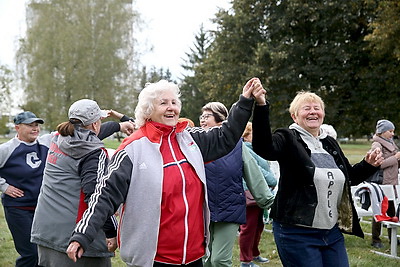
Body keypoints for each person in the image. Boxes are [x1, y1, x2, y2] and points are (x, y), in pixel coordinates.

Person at [66, 78, 266, 267]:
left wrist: (245, 101)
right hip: (154, 259)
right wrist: (82, 235)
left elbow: (226, 137)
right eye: (163, 103)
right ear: (148, 110)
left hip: (194, 255)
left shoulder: (189, 138)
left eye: (174, 102)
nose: (171, 107)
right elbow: (105, 195)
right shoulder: (132, 149)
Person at [251, 90, 384, 266]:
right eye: (306, 108)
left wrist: (368, 165)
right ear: (294, 116)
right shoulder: (287, 138)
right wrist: (261, 105)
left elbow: (348, 178)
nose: (313, 111)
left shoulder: (329, 143)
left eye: (317, 108)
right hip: (296, 232)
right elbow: (263, 147)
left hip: (331, 232)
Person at [30, 99, 134, 266]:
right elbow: (96, 196)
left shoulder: (59, 138)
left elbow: (90, 135)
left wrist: (119, 126)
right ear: (94, 125)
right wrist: (111, 231)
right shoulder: (93, 153)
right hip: (75, 239)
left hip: (45, 231)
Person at [199, 102, 274, 267]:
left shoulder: (237, 145)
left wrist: (269, 203)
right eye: (201, 116)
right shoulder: (196, 144)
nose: (202, 120)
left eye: (207, 116)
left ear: (221, 119)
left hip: (229, 208)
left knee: (220, 260)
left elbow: (253, 173)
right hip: (201, 211)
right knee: (206, 260)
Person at [0, 111, 50, 267]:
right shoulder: (6, 149)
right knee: (31, 253)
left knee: (45, 252)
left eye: (36, 125)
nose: (35, 129)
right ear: (17, 127)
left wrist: (119, 125)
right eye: (30, 125)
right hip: (18, 208)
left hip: (42, 208)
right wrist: (4, 186)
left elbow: (75, 132)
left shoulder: (46, 143)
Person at [239, 122, 277, 267]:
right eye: (253, 133)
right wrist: (273, 180)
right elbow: (258, 171)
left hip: (258, 192)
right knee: (249, 227)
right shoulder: (247, 149)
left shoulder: (255, 149)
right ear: (246, 135)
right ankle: (245, 260)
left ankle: (254, 254)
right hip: (251, 191)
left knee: (258, 225)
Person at [370, 119, 400, 249]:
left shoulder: (391, 142)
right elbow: (379, 164)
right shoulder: (377, 145)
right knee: (380, 212)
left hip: (392, 182)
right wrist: (396, 158)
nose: (393, 134)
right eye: (390, 131)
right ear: (382, 132)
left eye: (393, 131)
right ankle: (375, 239)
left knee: (392, 212)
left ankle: (392, 238)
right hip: (382, 183)